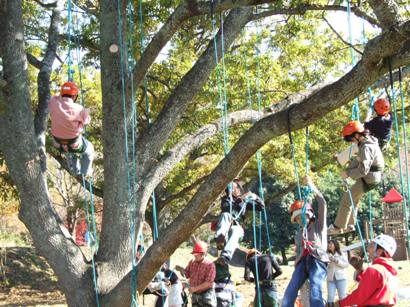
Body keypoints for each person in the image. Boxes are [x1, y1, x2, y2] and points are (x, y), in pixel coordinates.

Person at [328, 121, 384, 235]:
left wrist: (348, 173)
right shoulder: (368, 142)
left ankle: (338, 227)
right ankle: (350, 224)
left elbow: (363, 169)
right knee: (354, 199)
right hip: (372, 177)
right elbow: (359, 159)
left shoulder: (366, 147)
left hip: (369, 178)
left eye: (352, 139)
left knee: (346, 199)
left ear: (358, 135)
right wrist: (347, 165)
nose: (352, 142)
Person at [282, 176, 328, 307]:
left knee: (315, 290)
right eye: (297, 219)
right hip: (303, 262)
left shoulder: (319, 226)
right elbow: (299, 251)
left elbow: (323, 204)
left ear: (309, 214)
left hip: (317, 259)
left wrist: (312, 186)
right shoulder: (299, 234)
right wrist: (297, 260)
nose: (300, 220)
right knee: (290, 291)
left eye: (302, 216)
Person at [329, 234, 398, 307]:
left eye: (371, 246)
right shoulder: (390, 271)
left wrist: (339, 304)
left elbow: (360, 296)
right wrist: (360, 270)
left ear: (379, 251)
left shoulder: (375, 270)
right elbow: (374, 286)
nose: (368, 249)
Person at [48, 81, 94, 177]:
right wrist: (86, 112)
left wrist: (62, 93)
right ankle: (86, 171)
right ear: (74, 96)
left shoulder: (53, 103)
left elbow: (55, 96)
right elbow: (86, 121)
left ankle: (75, 171)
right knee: (89, 150)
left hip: (58, 143)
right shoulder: (79, 109)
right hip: (75, 144)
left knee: (69, 151)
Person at [215, 178, 264, 263]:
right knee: (225, 215)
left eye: (237, 187)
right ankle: (220, 238)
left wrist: (255, 197)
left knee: (235, 230)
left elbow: (261, 207)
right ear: (229, 190)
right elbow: (227, 209)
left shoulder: (245, 202)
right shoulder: (226, 199)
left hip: (237, 229)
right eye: (233, 188)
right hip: (226, 227)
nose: (236, 189)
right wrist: (240, 200)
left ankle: (225, 256)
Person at [335, 98, 392, 166]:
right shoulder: (390, 116)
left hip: (377, 144)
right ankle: (352, 161)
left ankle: (340, 159)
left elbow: (363, 126)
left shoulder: (377, 121)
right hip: (383, 142)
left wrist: (369, 113)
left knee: (356, 146)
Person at [176, 241, 217, 307]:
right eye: (194, 254)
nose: (194, 256)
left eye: (196, 254)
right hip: (195, 296)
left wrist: (195, 288)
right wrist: (182, 270)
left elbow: (209, 283)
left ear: (202, 254)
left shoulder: (210, 265)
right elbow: (186, 274)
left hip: (206, 295)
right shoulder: (192, 262)